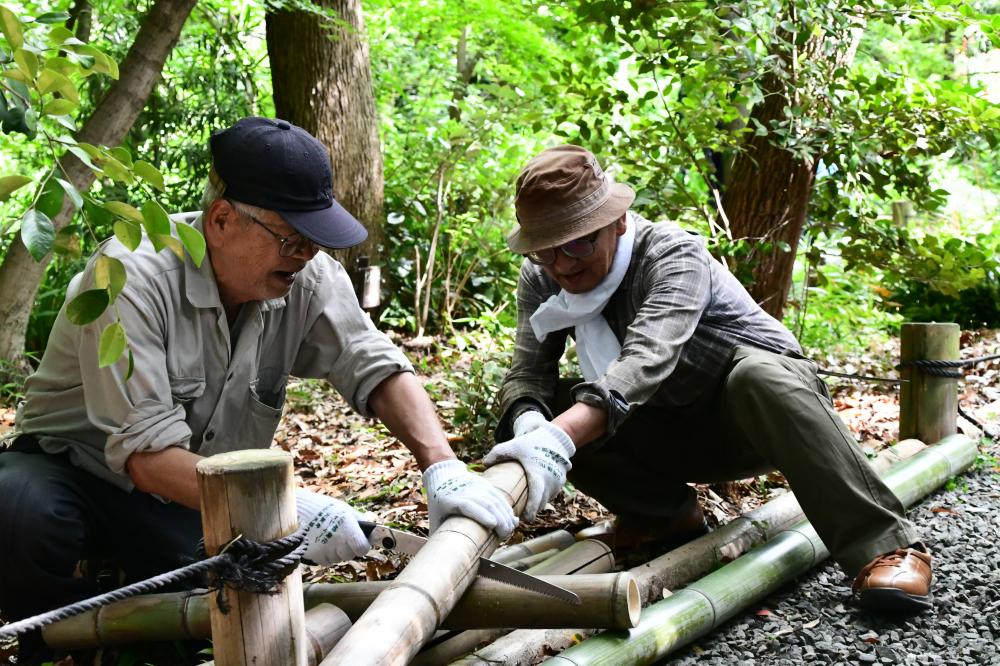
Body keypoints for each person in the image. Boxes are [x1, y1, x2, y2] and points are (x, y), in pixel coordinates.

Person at [0, 117, 517, 663]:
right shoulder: (130, 275)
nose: (305, 257)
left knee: (229, 589)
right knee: (18, 513)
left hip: (192, 494)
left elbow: (373, 363)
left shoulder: (305, 278)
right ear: (221, 219)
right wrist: (289, 508)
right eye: (291, 240)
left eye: (314, 243)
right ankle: (58, 636)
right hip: (75, 470)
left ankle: (143, 634)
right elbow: (147, 458)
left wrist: (441, 466)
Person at [484, 144, 933, 614]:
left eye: (577, 242)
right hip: (666, 429)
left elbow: (646, 360)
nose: (561, 264)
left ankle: (886, 546)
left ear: (616, 222)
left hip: (762, 421)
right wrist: (531, 426)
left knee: (758, 376)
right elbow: (528, 371)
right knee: (547, 406)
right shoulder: (542, 278)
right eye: (544, 250)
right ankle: (666, 518)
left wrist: (557, 439)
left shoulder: (672, 253)